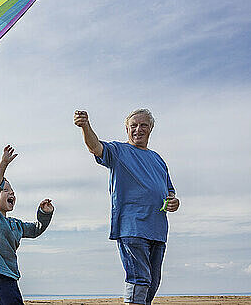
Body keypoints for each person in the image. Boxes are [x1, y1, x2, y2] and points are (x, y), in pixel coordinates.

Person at [74, 109, 180, 305]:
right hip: (132, 227)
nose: (138, 129)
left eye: (143, 125)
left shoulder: (159, 160)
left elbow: (169, 192)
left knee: (152, 282)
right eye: (134, 125)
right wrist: (85, 126)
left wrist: (173, 201)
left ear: (151, 129)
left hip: (157, 230)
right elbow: (95, 147)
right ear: (127, 129)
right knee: (139, 279)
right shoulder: (118, 151)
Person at [0, 145, 54, 305]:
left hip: (9, 275)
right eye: (5, 190)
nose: (11, 193)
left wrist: (45, 213)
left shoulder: (15, 224)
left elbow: (35, 229)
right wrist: (3, 164)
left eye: (12, 190)